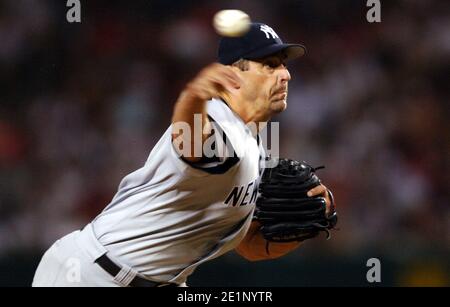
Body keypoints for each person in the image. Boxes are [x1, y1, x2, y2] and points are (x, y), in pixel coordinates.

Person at [32, 22, 334, 287]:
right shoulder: (217, 124)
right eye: (270, 64)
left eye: (283, 64)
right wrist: (193, 96)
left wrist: (313, 220)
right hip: (92, 275)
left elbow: (250, 248)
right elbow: (190, 143)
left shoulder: (255, 142)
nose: (285, 75)